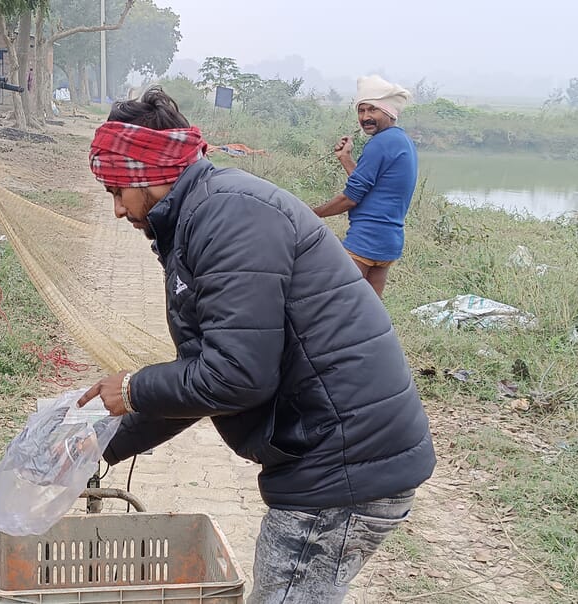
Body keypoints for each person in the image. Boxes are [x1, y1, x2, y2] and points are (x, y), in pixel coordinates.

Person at [76, 87, 435, 604]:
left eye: (116, 190)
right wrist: (101, 445)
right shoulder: (202, 214)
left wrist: (131, 388)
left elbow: (234, 377)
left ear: (148, 173)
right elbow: (205, 381)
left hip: (346, 462)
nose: (115, 209)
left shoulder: (228, 216)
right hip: (338, 453)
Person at [312, 75, 418, 298]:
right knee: (371, 310)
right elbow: (370, 186)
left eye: (373, 110)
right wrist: (345, 158)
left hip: (365, 240)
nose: (365, 117)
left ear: (389, 112)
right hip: (389, 242)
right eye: (361, 111)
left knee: (338, 301)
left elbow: (350, 198)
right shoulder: (401, 141)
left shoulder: (380, 144)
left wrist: (311, 213)